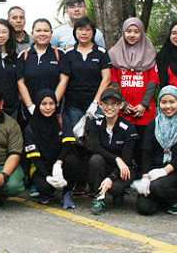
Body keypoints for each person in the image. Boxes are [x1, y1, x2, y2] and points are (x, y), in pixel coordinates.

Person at [59, 17, 112, 195]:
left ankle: (93, 182)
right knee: (77, 144)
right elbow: (64, 79)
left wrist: (96, 102)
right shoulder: (68, 54)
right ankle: (79, 182)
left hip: (96, 106)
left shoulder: (101, 53)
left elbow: (106, 78)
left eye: (88, 30)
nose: (84, 32)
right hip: (74, 105)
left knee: (94, 143)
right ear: (75, 32)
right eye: (80, 29)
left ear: (93, 32)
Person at [135, 86, 177, 216]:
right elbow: (146, 152)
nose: (168, 106)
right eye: (163, 102)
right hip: (155, 171)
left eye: (172, 102)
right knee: (144, 208)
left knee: (156, 187)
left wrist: (165, 170)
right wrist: (145, 177)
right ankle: (163, 198)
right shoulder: (154, 124)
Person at [109, 17, 158, 171]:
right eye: (128, 31)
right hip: (123, 109)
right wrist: (122, 103)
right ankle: (125, 175)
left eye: (136, 31)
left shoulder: (150, 54)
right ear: (123, 33)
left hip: (144, 111)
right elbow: (114, 81)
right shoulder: (114, 54)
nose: (132, 35)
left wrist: (143, 105)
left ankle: (143, 174)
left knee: (144, 145)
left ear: (142, 33)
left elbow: (153, 82)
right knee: (124, 144)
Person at [24, 89, 81, 208]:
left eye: (51, 104)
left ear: (56, 105)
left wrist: (58, 164)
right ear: (38, 105)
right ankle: (45, 192)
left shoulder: (62, 119)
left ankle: (66, 194)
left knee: (73, 161)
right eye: (44, 104)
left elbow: (67, 144)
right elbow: (34, 157)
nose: (48, 107)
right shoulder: (31, 127)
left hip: (59, 163)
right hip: (41, 166)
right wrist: (47, 176)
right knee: (45, 187)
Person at [85, 88, 138, 215]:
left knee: (115, 187)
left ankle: (118, 194)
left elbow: (126, 158)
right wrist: (116, 159)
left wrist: (111, 178)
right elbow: (94, 147)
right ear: (100, 105)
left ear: (120, 105)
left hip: (123, 169)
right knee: (95, 159)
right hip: (105, 166)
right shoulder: (94, 124)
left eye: (114, 103)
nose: (110, 107)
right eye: (106, 103)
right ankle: (99, 198)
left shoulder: (128, 127)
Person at [17, 18, 67, 121]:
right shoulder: (24, 56)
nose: (42, 34)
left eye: (46, 31)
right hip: (30, 111)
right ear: (32, 33)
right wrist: (30, 106)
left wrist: (52, 104)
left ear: (51, 33)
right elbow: (20, 83)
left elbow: (64, 80)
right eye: (38, 31)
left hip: (54, 111)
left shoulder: (60, 54)